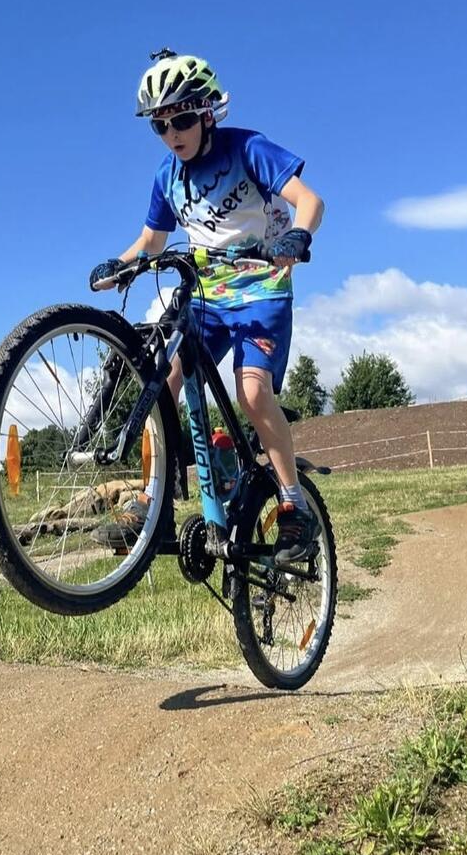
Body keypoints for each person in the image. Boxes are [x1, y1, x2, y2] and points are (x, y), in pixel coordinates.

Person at [88, 50, 324, 562]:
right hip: (204, 296)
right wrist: (119, 265)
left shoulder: (248, 148)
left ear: (208, 113)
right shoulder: (167, 176)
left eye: (182, 120)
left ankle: (294, 504)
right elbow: (151, 241)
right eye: (160, 125)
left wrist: (298, 237)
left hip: (261, 289)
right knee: (162, 381)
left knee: (252, 393)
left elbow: (310, 201)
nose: (172, 133)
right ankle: (154, 502)